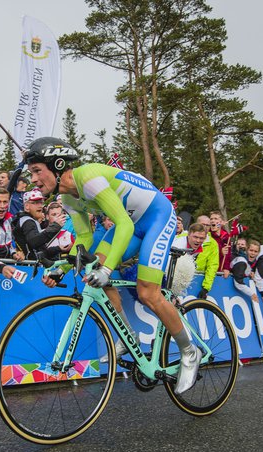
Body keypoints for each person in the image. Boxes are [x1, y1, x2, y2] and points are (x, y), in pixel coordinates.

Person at [27, 136, 199, 395]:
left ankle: (189, 352)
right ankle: (128, 337)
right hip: (130, 224)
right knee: (94, 270)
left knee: (147, 292)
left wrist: (107, 271)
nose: (34, 179)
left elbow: (125, 225)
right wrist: (60, 267)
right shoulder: (69, 199)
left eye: (37, 171)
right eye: (31, 173)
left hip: (156, 217)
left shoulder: (89, 178)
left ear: (58, 165)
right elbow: (84, 239)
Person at [12, 188, 66, 260]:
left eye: (41, 202)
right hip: (28, 267)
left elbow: (39, 249)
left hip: (32, 265)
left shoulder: (31, 220)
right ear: (26, 206)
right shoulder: (27, 221)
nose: (40, 205)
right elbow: (34, 242)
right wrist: (55, 226)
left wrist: (58, 248)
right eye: (35, 203)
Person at [174, 221, 219, 299]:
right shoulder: (179, 244)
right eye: (195, 237)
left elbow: (212, 266)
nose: (198, 241)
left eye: (201, 238)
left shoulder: (201, 246)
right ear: (188, 235)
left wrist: (206, 288)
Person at [209, 211, 232, 277]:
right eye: (211, 219)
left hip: (220, 270)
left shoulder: (226, 236)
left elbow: (228, 254)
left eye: (216, 219)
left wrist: (226, 268)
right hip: (209, 268)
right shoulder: (207, 234)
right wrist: (220, 252)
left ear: (221, 222)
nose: (213, 221)